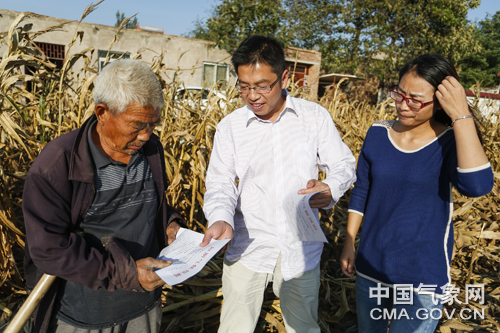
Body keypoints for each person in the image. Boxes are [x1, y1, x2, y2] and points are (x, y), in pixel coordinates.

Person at [200, 35, 356, 333]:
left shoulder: (313, 118)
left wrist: (331, 188)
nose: (253, 96)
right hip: (247, 246)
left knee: (303, 328)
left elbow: (344, 165)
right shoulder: (231, 127)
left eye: (262, 86)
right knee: (235, 328)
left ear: (284, 77)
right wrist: (220, 218)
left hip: (300, 248)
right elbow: (220, 182)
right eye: (244, 87)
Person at [23, 59, 185, 333]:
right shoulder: (58, 165)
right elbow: (49, 249)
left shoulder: (149, 151)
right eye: (136, 125)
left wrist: (169, 224)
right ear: (102, 112)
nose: (146, 135)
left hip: (143, 308)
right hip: (84, 317)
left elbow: (151, 203)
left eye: (153, 124)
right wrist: (129, 273)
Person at [340, 53, 494, 332]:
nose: (403, 105)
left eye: (416, 100)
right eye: (399, 94)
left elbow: (477, 186)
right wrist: (350, 241)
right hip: (371, 268)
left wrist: (461, 114)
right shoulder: (377, 133)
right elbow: (362, 188)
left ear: (439, 102)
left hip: (422, 278)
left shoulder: (448, 143)